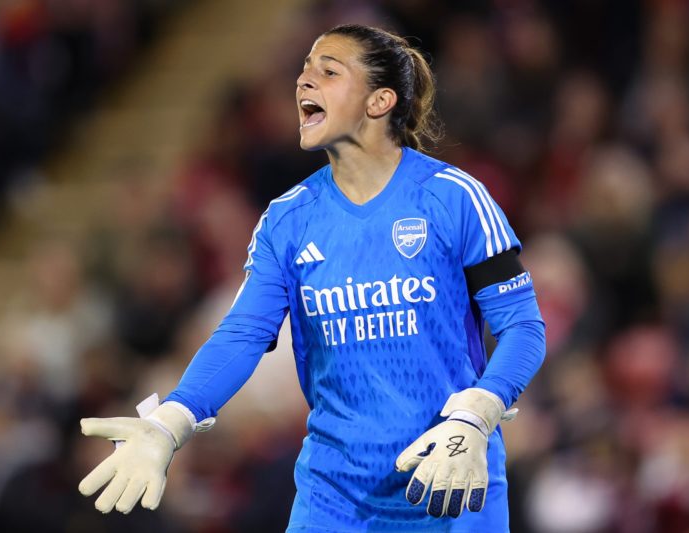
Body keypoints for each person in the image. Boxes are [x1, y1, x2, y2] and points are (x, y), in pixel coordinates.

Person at [78, 24, 546, 532]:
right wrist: (173, 419)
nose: (303, 81)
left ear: (379, 101)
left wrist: (482, 407)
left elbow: (523, 327)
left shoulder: (454, 198)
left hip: (448, 483)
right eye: (304, 69)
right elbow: (244, 333)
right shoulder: (289, 219)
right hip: (333, 500)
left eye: (328, 71)